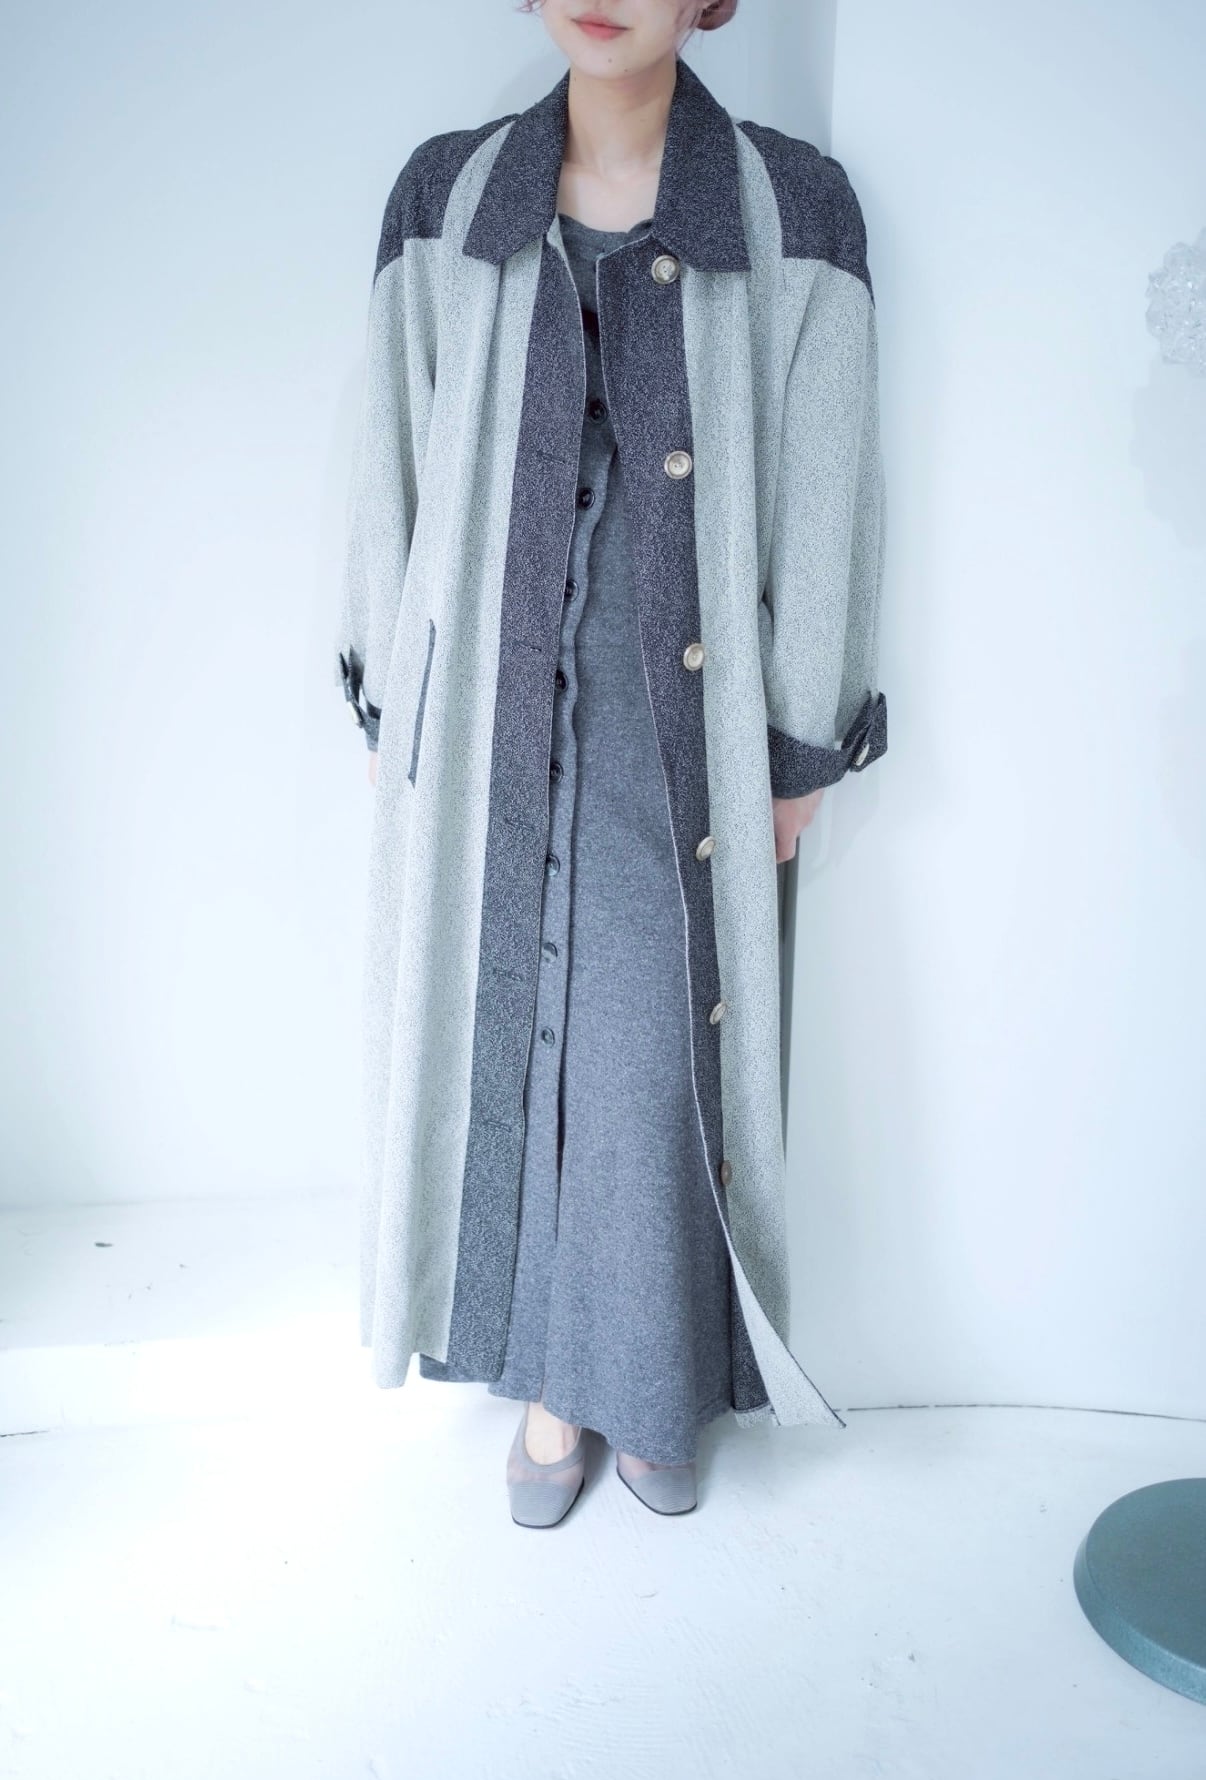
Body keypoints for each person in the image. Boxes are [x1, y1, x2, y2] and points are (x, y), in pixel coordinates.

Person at [336, 0, 888, 1527]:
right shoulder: (445, 196)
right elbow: (387, 454)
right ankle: (549, 1383)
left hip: (675, 720)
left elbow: (828, 488)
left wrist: (797, 744)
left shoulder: (795, 211)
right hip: (486, 706)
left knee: (646, 1049)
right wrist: (392, 705)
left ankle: (642, 1377)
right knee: (504, 1033)